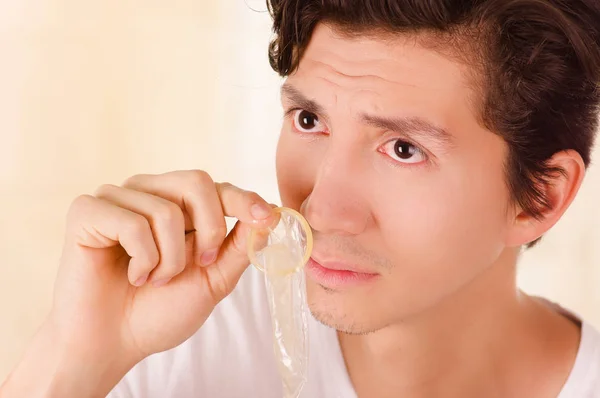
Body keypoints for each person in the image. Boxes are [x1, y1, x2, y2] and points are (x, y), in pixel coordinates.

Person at [2, 0, 600, 397]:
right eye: (310, 119)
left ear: (539, 198)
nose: (321, 208)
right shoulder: (180, 337)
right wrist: (74, 356)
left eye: (403, 149)